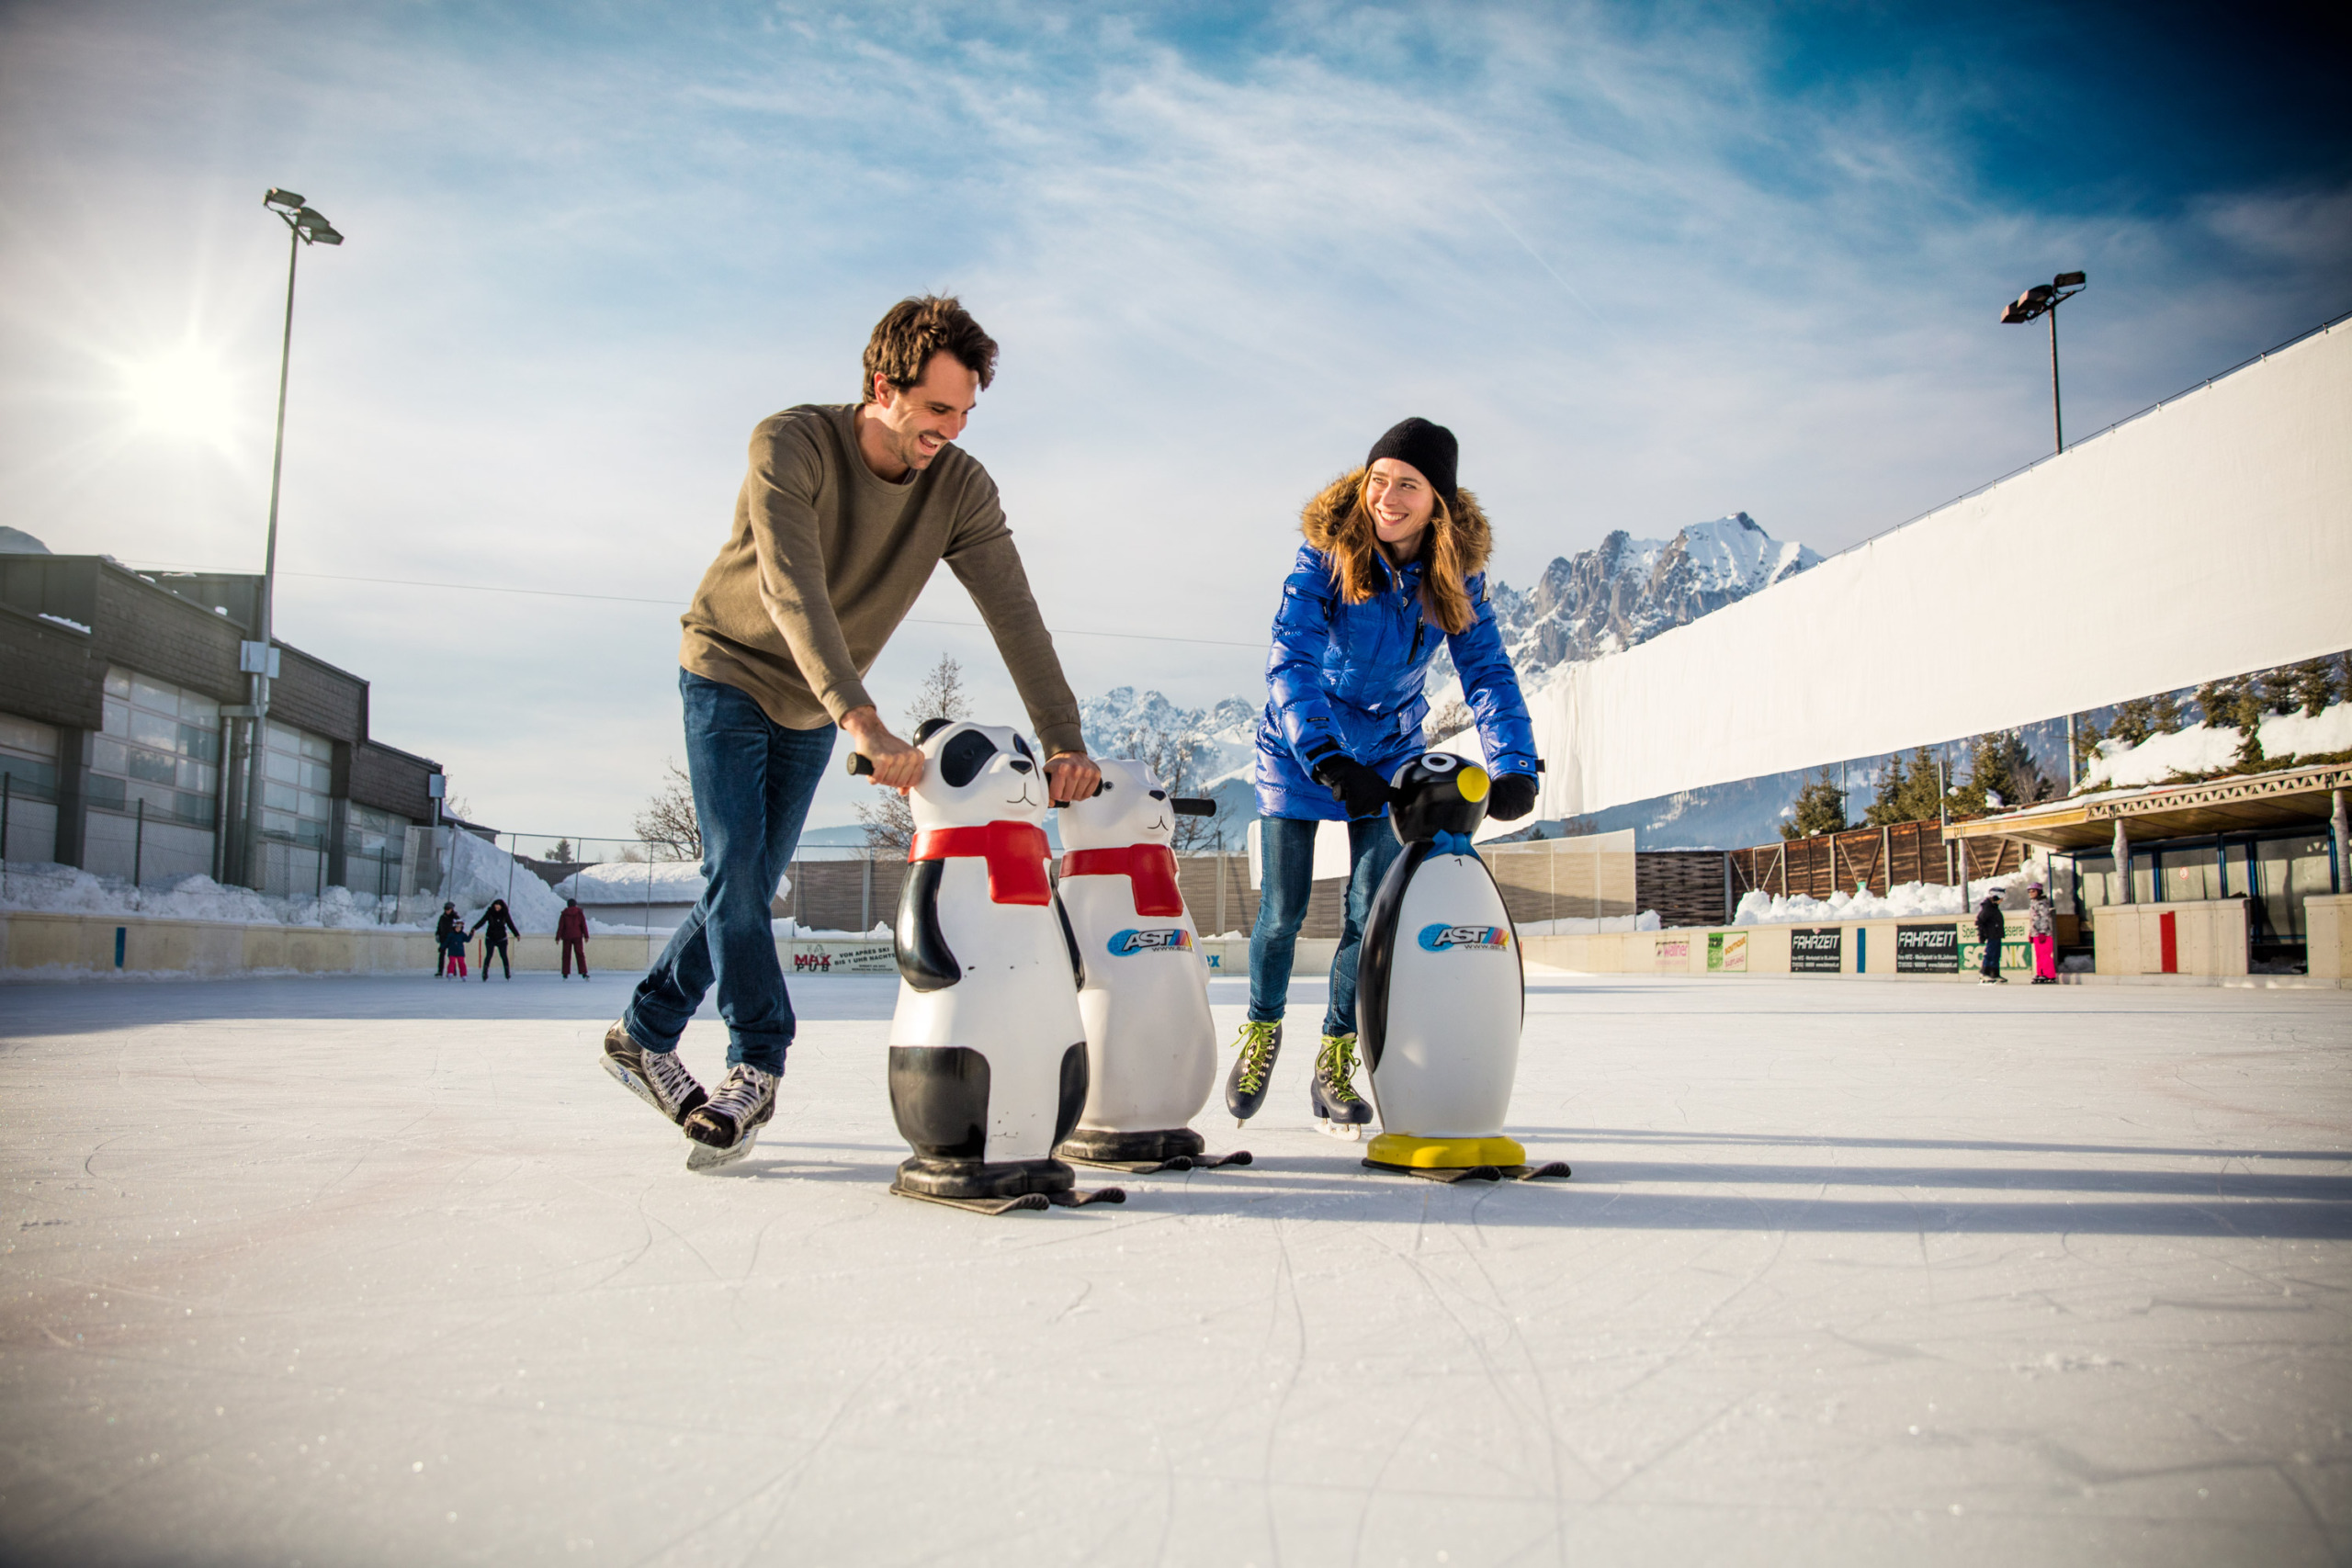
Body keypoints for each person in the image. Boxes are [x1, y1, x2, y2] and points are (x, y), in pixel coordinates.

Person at [602, 295, 1101, 1161]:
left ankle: (642, 1032)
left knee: (747, 885)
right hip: (729, 669)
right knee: (737, 871)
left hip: (815, 708)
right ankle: (757, 1060)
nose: (951, 428)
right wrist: (862, 718)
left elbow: (1015, 614)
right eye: (937, 409)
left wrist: (1063, 739)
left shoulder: (959, 488)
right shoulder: (789, 445)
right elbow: (790, 589)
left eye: (966, 411)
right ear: (884, 386)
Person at [1232, 417, 1540, 1134]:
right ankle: (1261, 1028)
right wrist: (1327, 756)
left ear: (1439, 500)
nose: (1388, 497)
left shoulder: (1454, 574)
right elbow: (1291, 661)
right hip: (1300, 750)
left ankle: (1333, 1056)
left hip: (1388, 751)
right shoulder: (1325, 555)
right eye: (1380, 479)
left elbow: (1487, 671)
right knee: (1282, 911)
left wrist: (1516, 764)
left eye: (1409, 484)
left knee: (1367, 912)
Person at [470, 898, 519, 981]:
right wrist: (475, 928)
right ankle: (485, 973)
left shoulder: (505, 913)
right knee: (489, 955)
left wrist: (516, 933)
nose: (496, 909)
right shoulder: (490, 912)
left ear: (501, 907)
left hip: (502, 938)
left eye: (498, 908)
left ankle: (507, 973)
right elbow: (482, 921)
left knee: (504, 956)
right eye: (495, 908)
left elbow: (510, 924)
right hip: (490, 937)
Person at [2027, 883, 2058, 983]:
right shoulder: (2033, 903)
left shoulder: (2042, 903)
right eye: (2029, 892)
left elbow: (2044, 918)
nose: (2031, 894)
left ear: (2039, 892)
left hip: (2044, 934)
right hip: (2036, 933)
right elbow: (2033, 920)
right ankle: (2040, 973)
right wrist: (2031, 933)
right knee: (2039, 955)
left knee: (2045, 955)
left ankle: (2049, 974)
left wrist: (2043, 932)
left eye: (2033, 891)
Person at [1975, 887, 2007, 983]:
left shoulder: (1993, 908)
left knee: (1996, 955)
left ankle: (1994, 973)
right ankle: (1985, 973)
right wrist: (1982, 935)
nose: (2002, 900)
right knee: (1990, 954)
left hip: (1996, 935)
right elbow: (1980, 921)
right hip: (1991, 935)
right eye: (2001, 898)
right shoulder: (1988, 908)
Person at [557, 897, 591, 979]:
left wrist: (558, 937)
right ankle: (583, 972)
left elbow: (561, 926)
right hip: (577, 936)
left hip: (567, 937)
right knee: (580, 954)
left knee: (566, 955)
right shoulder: (579, 913)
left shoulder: (564, 914)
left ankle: (565, 973)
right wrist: (586, 936)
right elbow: (583, 925)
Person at [435, 902, 469, 979]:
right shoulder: (442, 917)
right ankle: (440, 971)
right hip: (444, 938)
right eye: (446, 909)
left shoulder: (455, 917)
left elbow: (460, 927)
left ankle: (453, 971)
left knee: (453, 956)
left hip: (453, 939)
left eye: (448, 909)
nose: (447, 911)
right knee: (442, 954)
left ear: (452, 909)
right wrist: (438, 934)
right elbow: (439, 927)